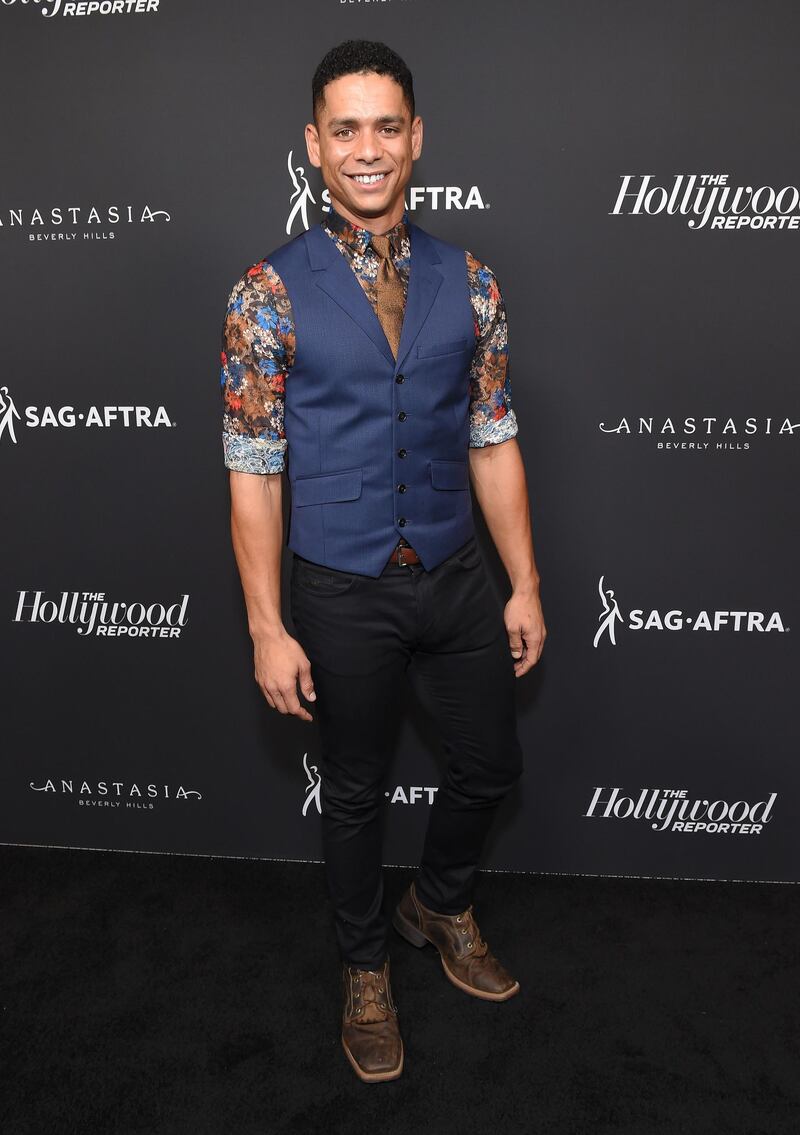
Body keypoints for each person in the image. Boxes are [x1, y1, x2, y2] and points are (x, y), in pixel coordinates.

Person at [220, 39, 546, 1083]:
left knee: (491, 764)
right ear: (315, 147)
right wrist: (267, 623)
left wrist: (524, 581)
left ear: (417, 139)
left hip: (453, 573)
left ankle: (437, 902)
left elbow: (491, 436)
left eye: (387, 127)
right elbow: (253, 469)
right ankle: (364, 968)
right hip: (338, 584)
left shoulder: (473, 279)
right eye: (346, 129)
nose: (369, 149)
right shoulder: (264, 295)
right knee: (355, 790)